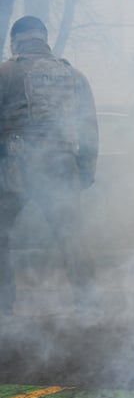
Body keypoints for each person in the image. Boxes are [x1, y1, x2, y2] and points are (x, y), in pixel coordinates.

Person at [0, 16, 99, 315]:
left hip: (15, 165)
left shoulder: (5, 73)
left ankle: (4, 309)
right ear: (44, 38)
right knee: (71, 236)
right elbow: (89, 129)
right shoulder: (75, 76)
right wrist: (85, 171)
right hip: (61, 164)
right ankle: (88, 305)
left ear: (16, 40)